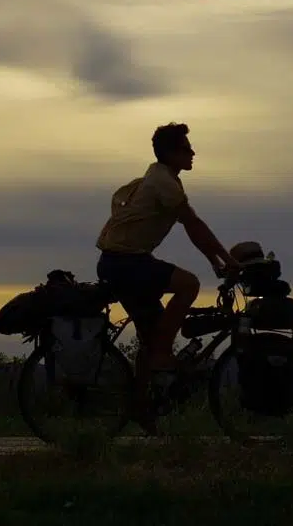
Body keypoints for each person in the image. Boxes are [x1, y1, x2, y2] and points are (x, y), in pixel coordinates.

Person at [96, 122, 240, 425]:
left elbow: (192, 228)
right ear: (172, 153)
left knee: (150, 338)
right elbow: (193, 224)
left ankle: (139, 407)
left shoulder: (161, 178)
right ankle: (162, 355)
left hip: (122, 262)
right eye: (186, 149)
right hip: (126, 263)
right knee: (188, 284)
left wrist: (215, 260)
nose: (193, 153)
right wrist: (225, 258)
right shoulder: (163, 182)